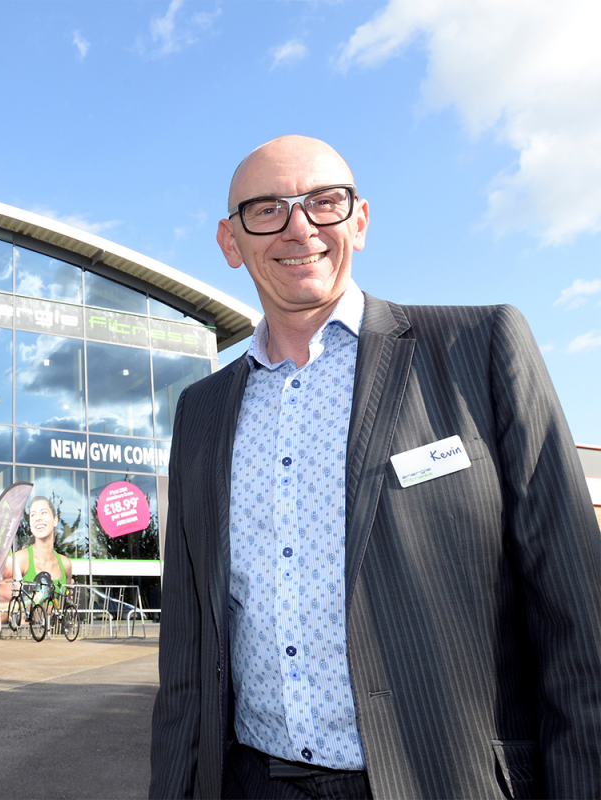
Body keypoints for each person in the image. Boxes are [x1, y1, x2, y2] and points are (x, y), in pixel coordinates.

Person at [149, 135, 601, 799]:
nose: (300, 227)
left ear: (358, 221)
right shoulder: (201, 412)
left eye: (323, 203)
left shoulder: (481, 350)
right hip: (253, 781)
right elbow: (186, 657)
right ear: (230, 241)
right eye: (267, 208)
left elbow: (578, 626)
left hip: (446, 781)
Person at [13, 496, 73, 590]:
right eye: (33, 515)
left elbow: (66, 602)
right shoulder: (20, 560)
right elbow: (6, 602)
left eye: (44, 512)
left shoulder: (65, 564)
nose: (38, 518)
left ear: (55, 520)